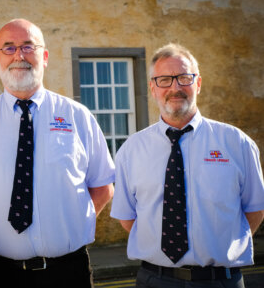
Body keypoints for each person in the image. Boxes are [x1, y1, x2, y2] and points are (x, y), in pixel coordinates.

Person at [0, 18, 115, 288]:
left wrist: (72, 223)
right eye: (8, 48)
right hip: (3, 274)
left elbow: (102, 187)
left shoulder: (78, 117)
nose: (19, 55)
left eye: (28, 47)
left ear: (45, 56)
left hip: (69, 272)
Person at [110, 43, 264, 288]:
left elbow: (255, 210)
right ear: (152, 87)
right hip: (154, 280)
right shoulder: (132, 150)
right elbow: (128, 217)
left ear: (198, 84)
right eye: (164, 80)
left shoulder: (237, 144)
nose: (175, 87)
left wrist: (218, 247)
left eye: (184, 78)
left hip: (219, 282)